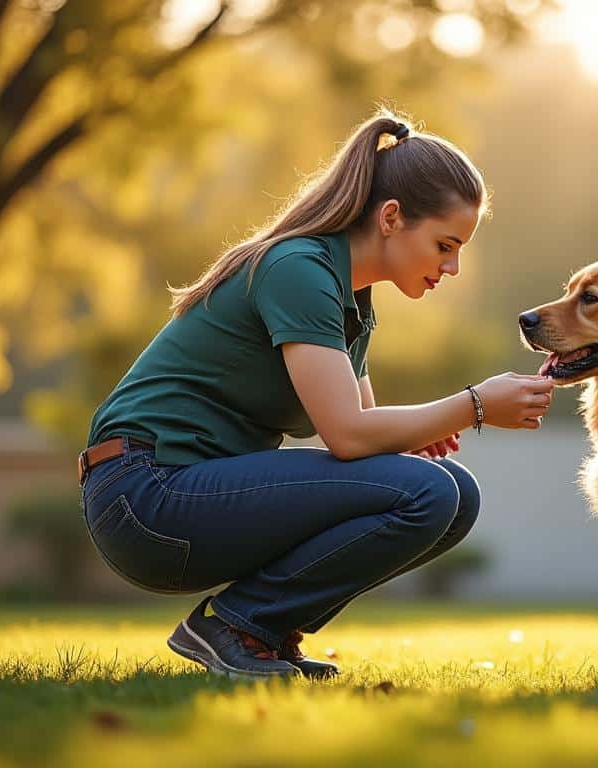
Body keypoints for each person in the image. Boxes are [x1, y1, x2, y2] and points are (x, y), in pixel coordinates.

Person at [79, 111, 555, 679]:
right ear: (391, 217)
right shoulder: (300, 270)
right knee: (429, 492)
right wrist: (476, 404)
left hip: (186, 492)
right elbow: (349, 436)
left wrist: (422, 435)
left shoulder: (354, 301)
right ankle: (236, 626)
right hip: (144, 496)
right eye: (444, 245)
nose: (451, 267)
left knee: (454, 496)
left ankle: (257, 631)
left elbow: (367, 437)